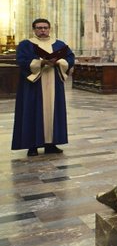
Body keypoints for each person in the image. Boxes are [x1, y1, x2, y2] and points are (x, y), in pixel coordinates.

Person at [12, 18, 76, 156]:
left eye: (45, 28)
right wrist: (40, 63)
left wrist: (59, 61)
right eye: (39, 28)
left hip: (54, 83)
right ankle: (32, 146)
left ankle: (51, 145)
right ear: (34, 29)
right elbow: (21, 60)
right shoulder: (26, 44)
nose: (43, 30)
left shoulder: (59, 44)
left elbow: (70, 58)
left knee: (53, 113)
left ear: (49, 29)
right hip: (33, 85)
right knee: (32, 112)